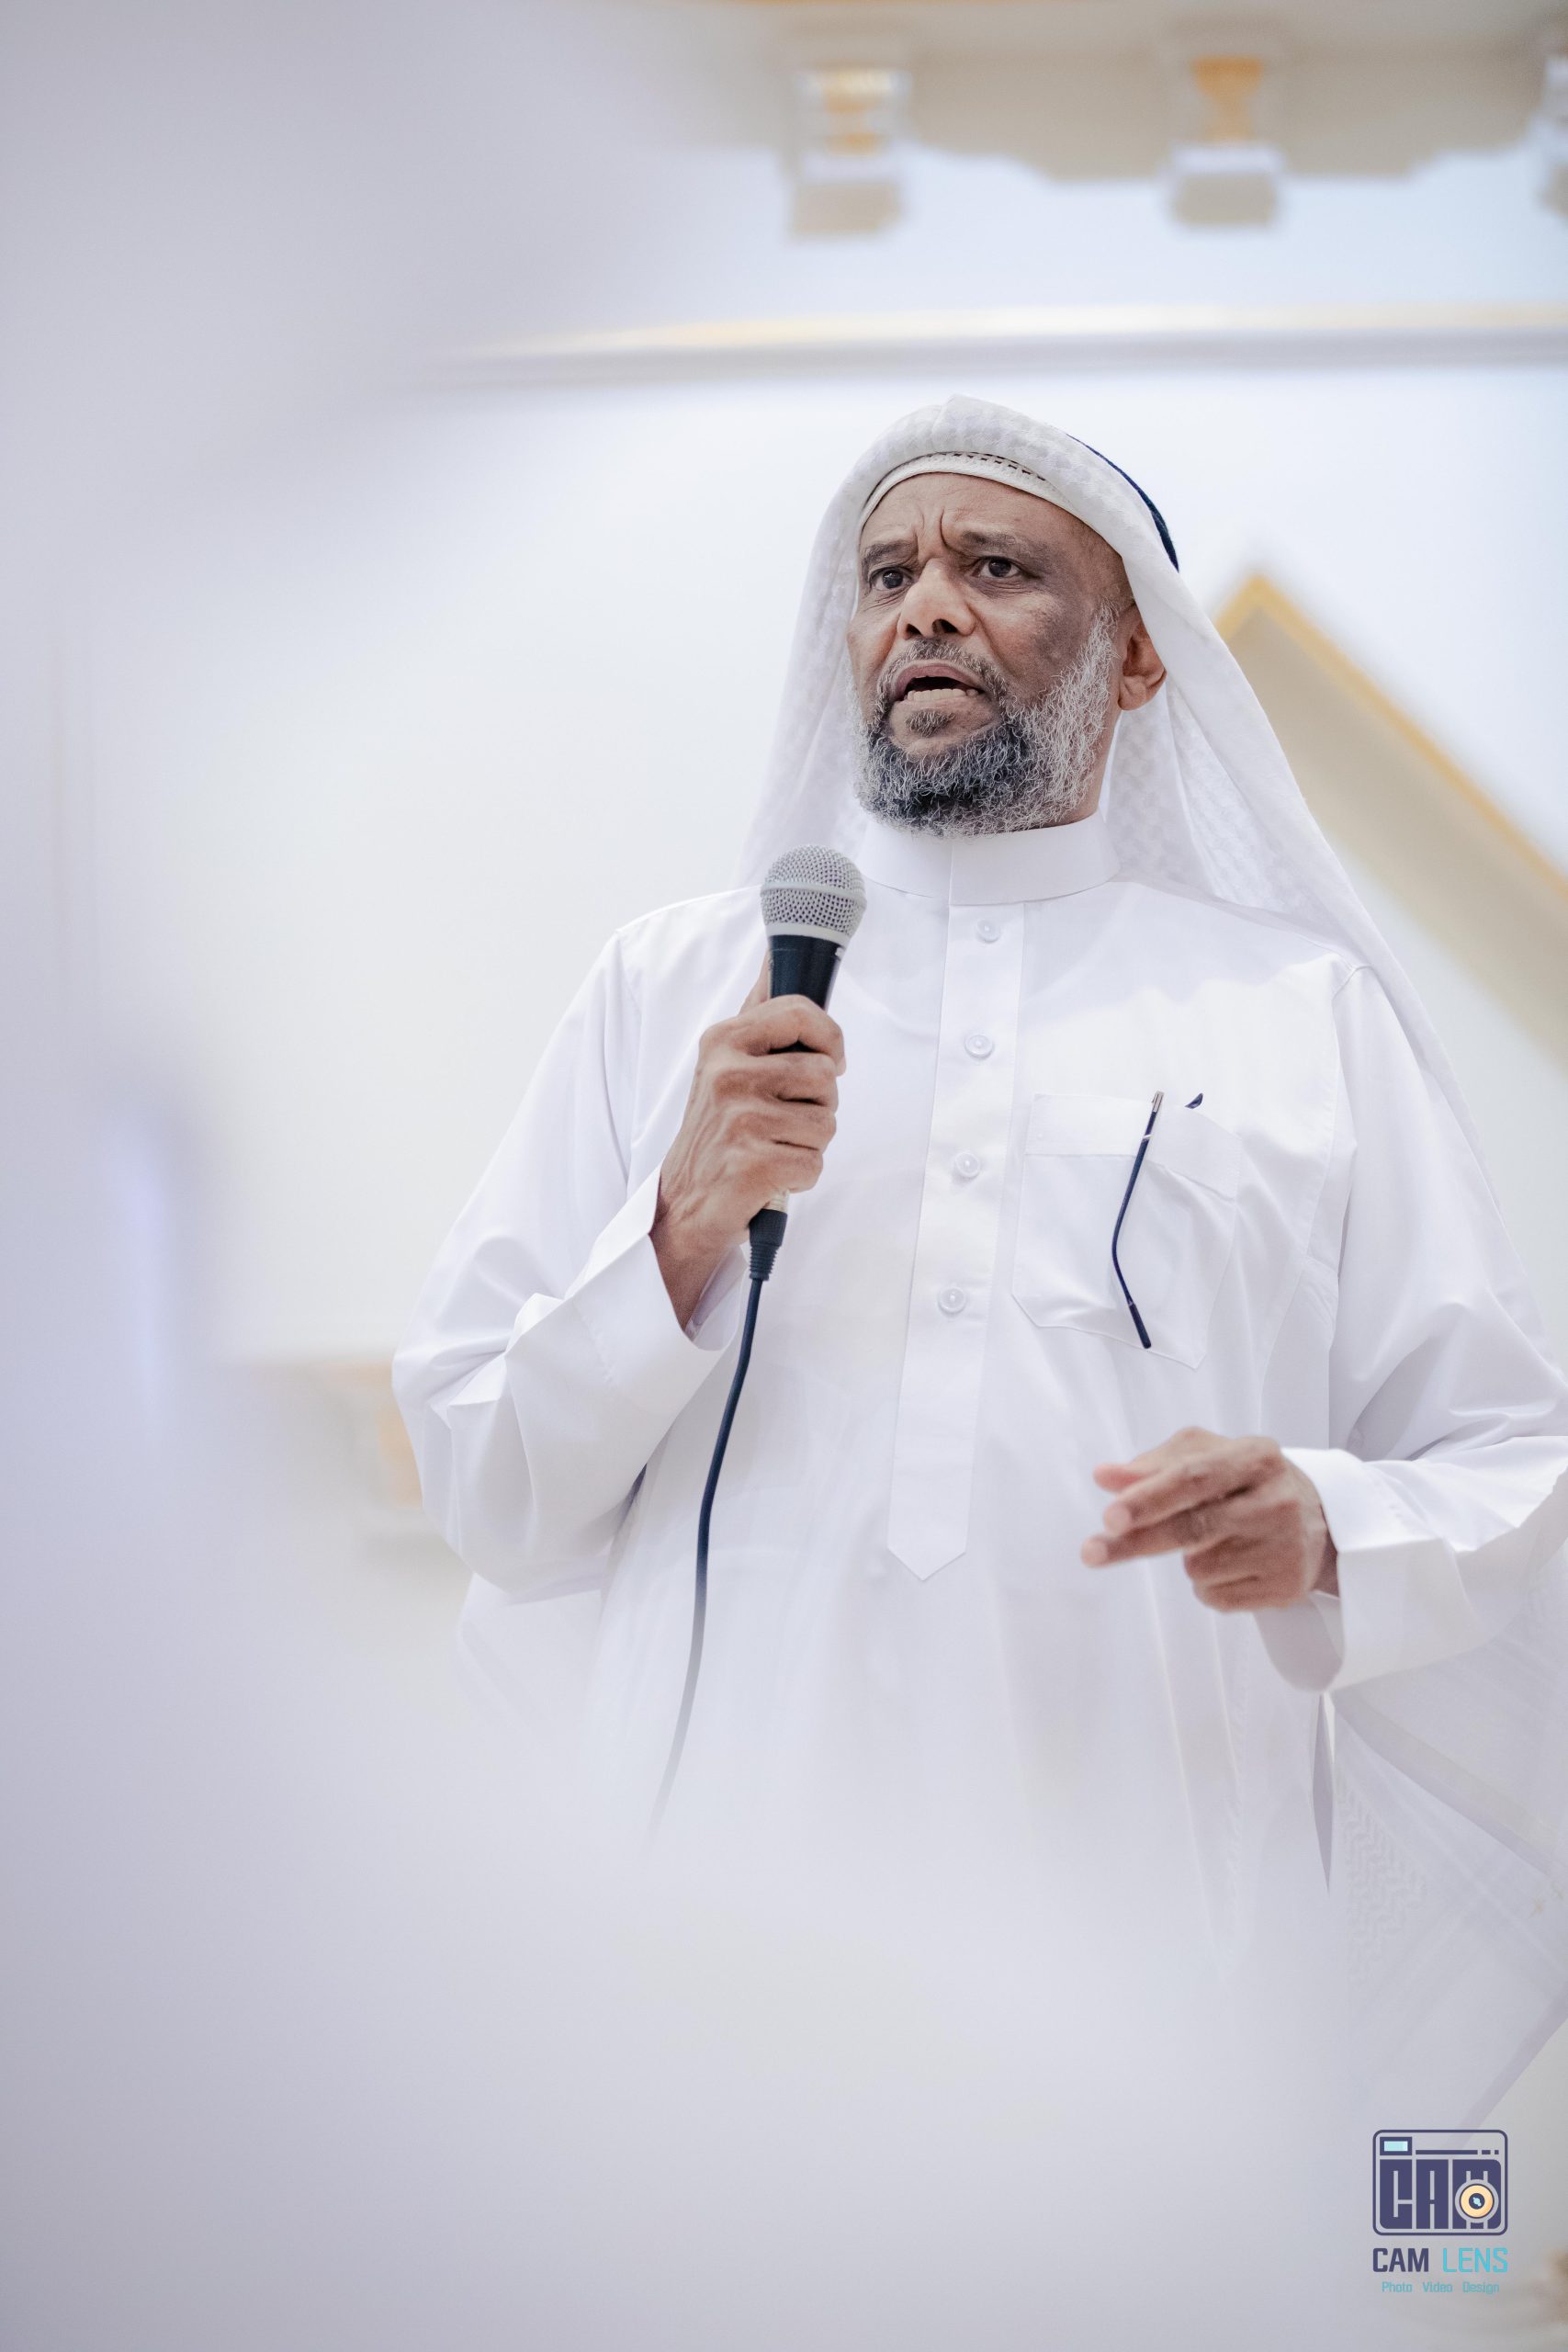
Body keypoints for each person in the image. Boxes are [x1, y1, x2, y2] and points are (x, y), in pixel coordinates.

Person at [395, 397, 1568, 2118]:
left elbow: (1508, 1464)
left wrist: (1329, 1524)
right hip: (712, 1981)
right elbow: (482, 1479)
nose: (926, 606)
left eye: (996, 568)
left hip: (1158, 1981)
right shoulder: (675, 991)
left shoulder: (1296, 1014)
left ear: (1142, 656)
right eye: (885, 576)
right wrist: (679, 1227)